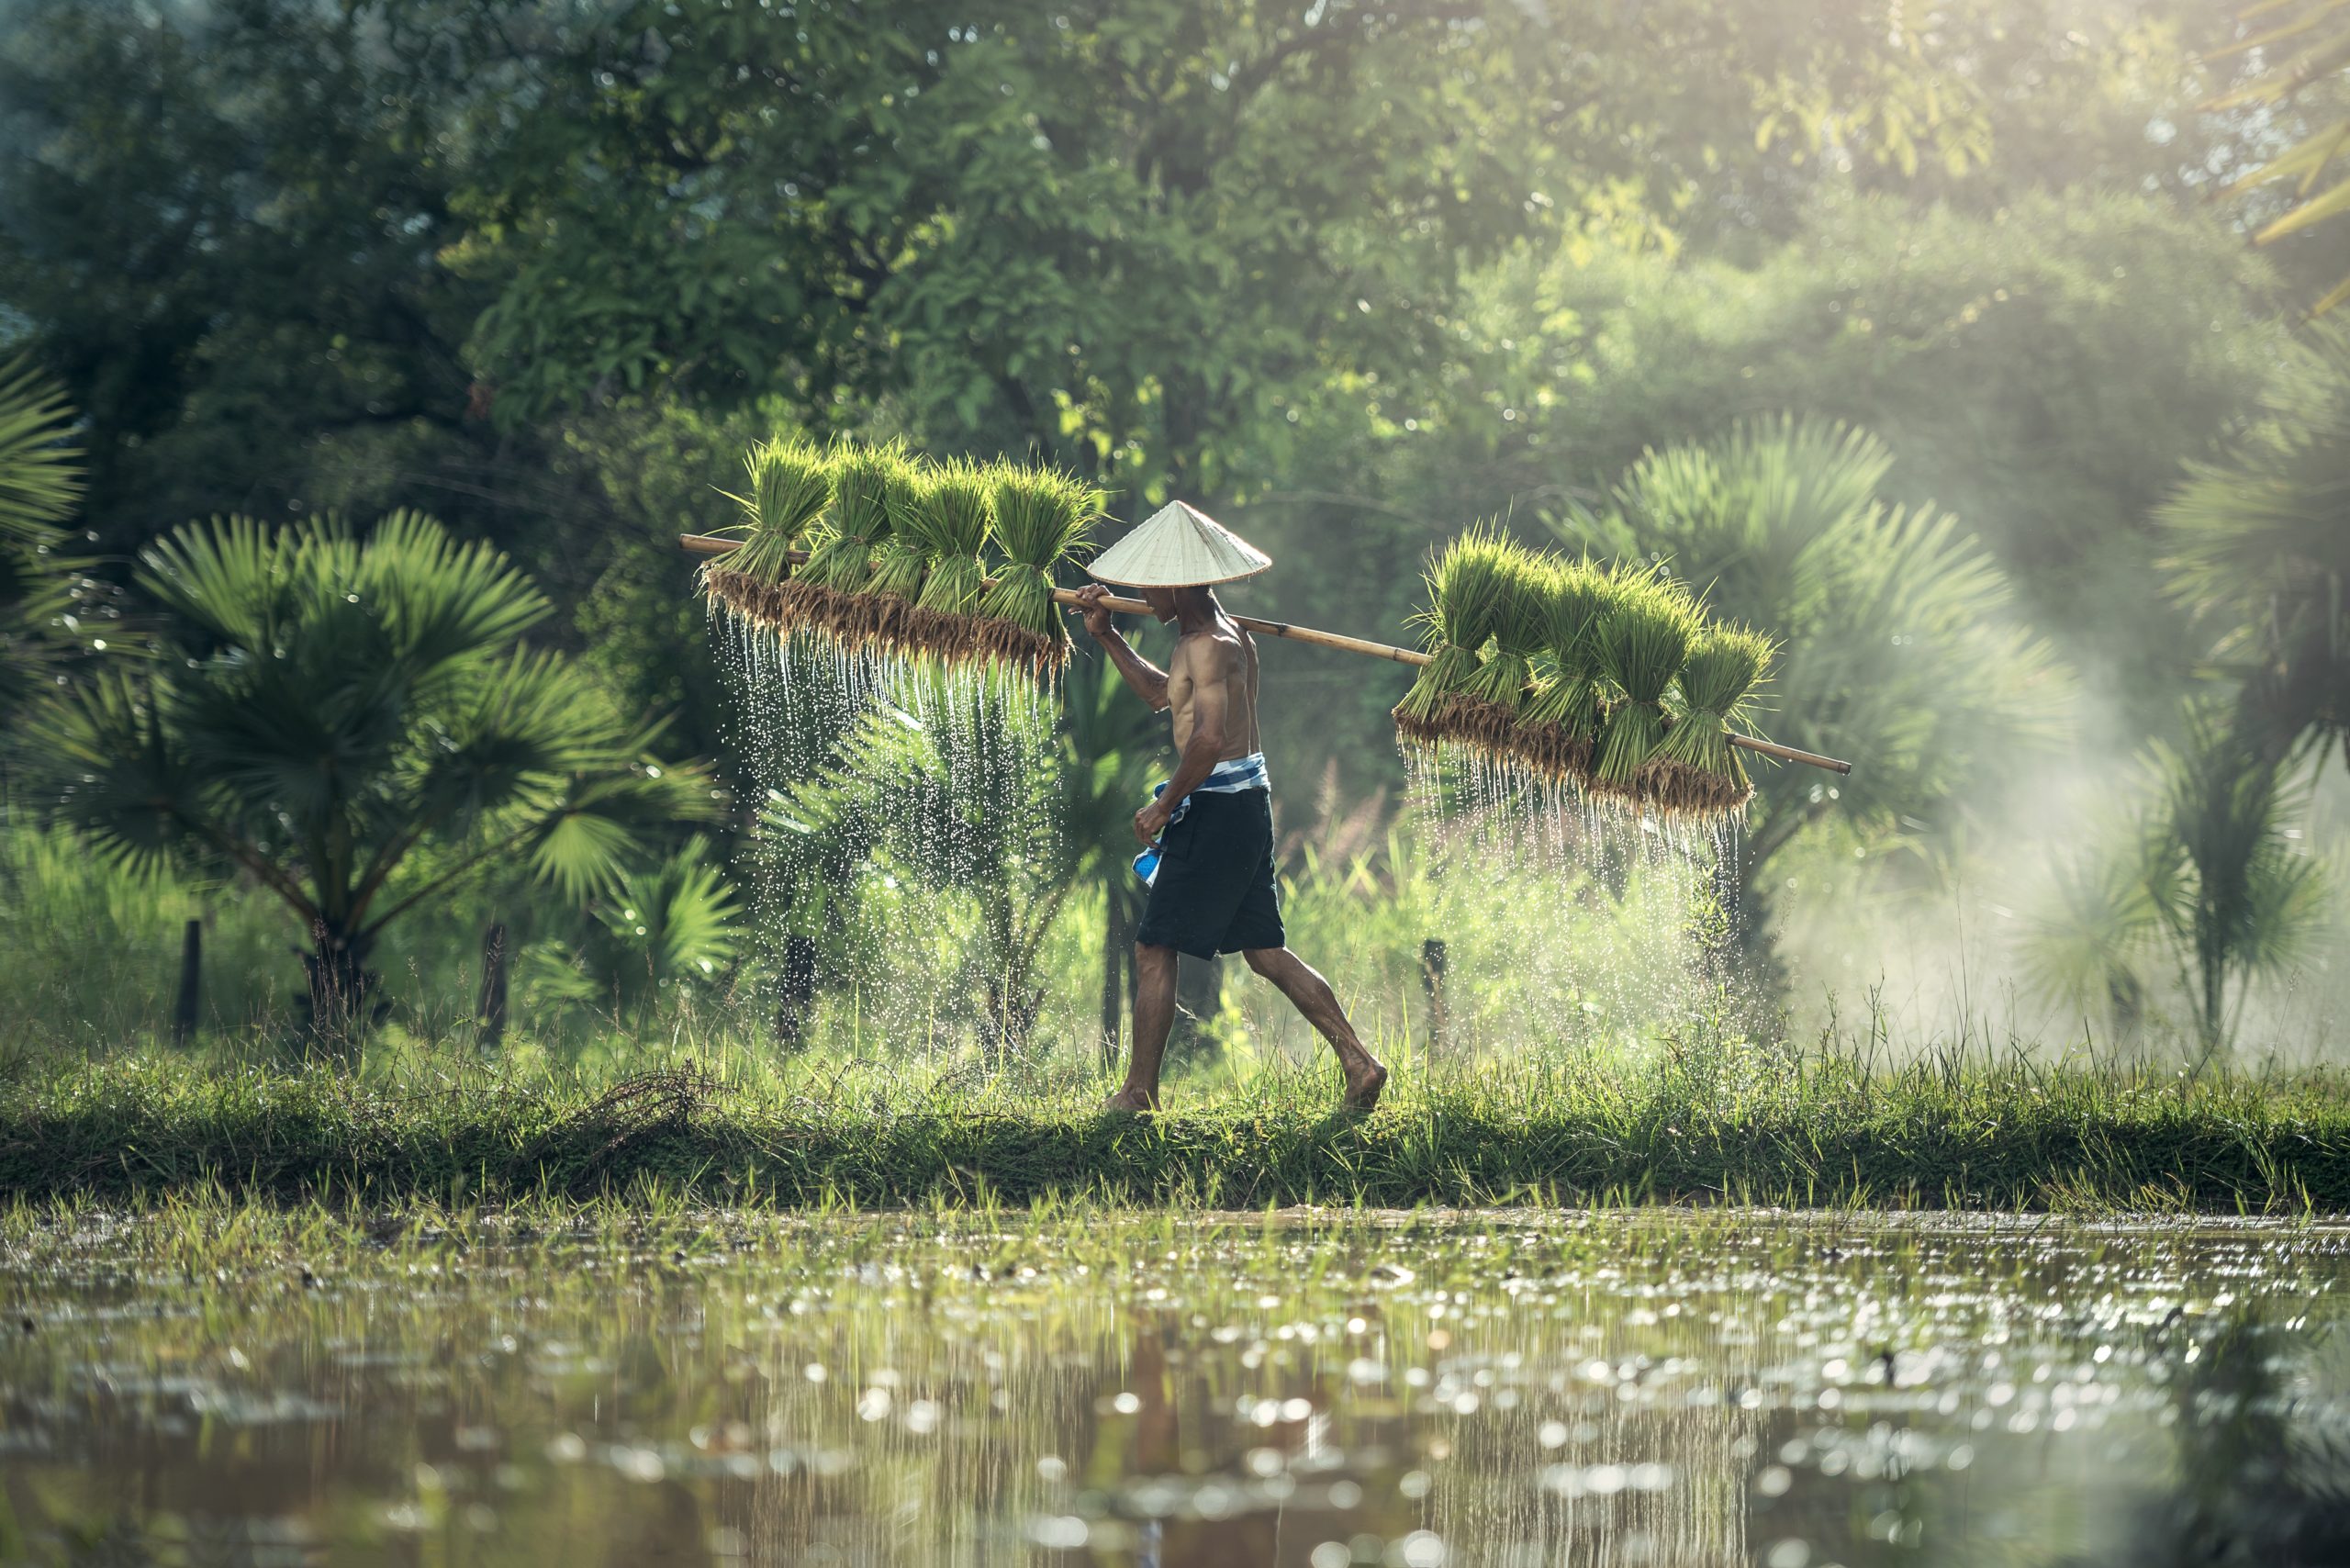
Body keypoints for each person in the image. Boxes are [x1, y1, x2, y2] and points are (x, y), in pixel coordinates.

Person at [1069, 499, 1388, 1114]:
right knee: (1264, 951)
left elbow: (1209, 740)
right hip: (1245, 806)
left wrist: (1164, 805)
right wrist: (1105, 634)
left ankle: (1138, 1092)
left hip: (1217, 809)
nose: (1141, 592)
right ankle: (1360, 1062)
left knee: (1154, 946)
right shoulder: (1215, 638)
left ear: (1176, 583)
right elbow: (1165, 696)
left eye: (1149, 583)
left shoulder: (1212, 645)